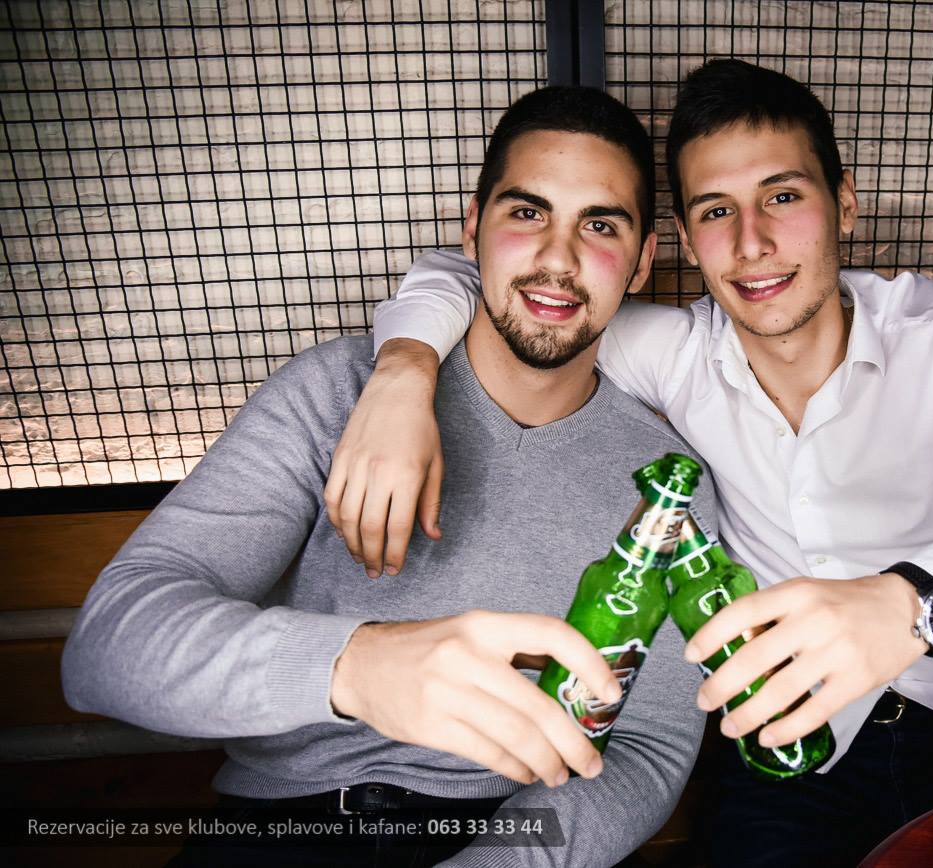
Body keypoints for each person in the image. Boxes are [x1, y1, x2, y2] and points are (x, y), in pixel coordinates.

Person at [325, 61, 933, 866]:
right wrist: (403, 370)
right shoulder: (670, 352)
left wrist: (911, 606)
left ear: (845, 203)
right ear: (679, 238)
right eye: (717, 211)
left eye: (782, 196)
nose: (751, 243)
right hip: (775, 747)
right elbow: (489, 276)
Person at [61, 86, 719, 868]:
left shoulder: (666, 484)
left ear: (642, 262)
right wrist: (358, 667)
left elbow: (647, 746)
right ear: (472, 230)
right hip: (287, 827)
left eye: (600, 225)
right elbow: (106, 650)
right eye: (527, 212)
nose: (558, 258)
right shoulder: (333, 392)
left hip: (510, 831)